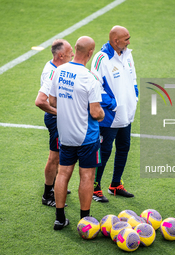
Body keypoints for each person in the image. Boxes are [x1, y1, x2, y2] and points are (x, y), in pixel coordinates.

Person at [49, 36, 104, 230]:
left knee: (63, 174)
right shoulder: (90, 78)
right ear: (90, 53)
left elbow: (52, 102)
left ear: (76, 50)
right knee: (87, 176)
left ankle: (59, 218)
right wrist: (103, 113)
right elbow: (96, 112)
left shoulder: (59, 71)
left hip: (65, 134)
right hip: (86, 136)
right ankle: (85, 220)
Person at [90, 26, 138, 203]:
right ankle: (95, 187)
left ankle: (115, 185)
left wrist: (135, 96)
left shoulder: (127, 54)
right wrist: (113, 105)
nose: (129, 41)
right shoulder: (101, 58)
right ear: (115, 41)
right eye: (126, 39)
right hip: (109, 116)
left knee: (124, 147)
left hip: (127, 114)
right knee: (104, 151)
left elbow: (133, 78)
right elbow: (95, 86)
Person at [35, 39, 74, 207]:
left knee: (59, 156)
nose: (73, 54)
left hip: (57, 119)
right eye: (70, 52)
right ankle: (47, 195)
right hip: (55, 120)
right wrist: (61, 114)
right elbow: (40, 101)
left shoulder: (55, 67)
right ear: (61, 55)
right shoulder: (52, 73)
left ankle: (57, 186)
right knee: (54, 157)